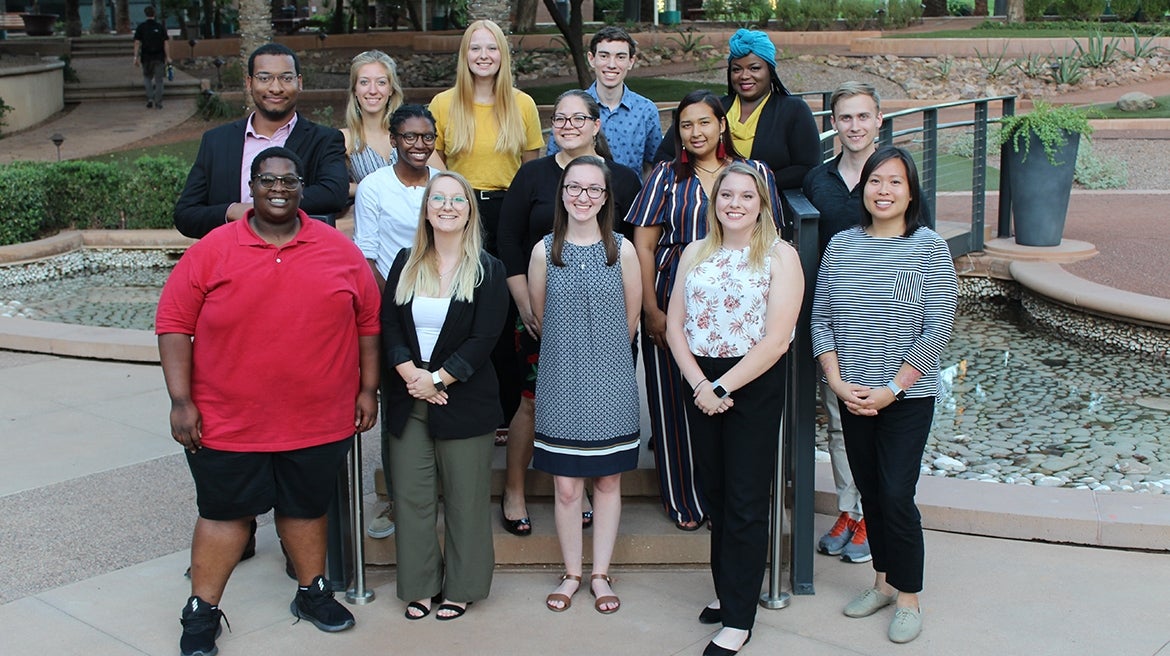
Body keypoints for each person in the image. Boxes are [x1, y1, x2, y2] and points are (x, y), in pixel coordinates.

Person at [157, 147, 380, 656]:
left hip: (318, 417)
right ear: (251, 188)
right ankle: (202, 610)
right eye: (267, 180)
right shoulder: (213, 249)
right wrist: (180, 400)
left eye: (288, 180)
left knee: (304, 507)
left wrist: (367, 390)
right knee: (225, 513)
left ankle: (312, 591)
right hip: (228, 419)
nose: (278, 188)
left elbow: (368, 323)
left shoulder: (336, 248)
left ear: (301, 188)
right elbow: (173, 324)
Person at [810, 146, 958, 645]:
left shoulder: (930, 248)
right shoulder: (842, 246)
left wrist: (892, 389)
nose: (884, 190)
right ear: (864, 189)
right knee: (870, 492)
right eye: (876, 181)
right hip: (853, 393)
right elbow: (822, 318)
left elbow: (937, 330)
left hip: (906, 397)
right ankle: (882, 583)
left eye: (895, 182)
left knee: (897, 495)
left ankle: (909, 597)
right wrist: (834, 380)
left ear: (911, 191)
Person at [665, 162, 803, 656]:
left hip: (750, 383)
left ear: (762, 203)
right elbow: (675, 325)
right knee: (717, 496)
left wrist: (722, 388)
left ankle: (739, 620)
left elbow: (777, 339)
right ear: (714, 201)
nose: (736, 204)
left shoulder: (781, 256)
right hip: (700, 381)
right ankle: (729, 594)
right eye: (727, 195)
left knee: (745, 501)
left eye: (747, 196)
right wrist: (700, 383)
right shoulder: (694, 253)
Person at [626, 90, 780, 531]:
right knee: (673, 403)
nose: (696, 132)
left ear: (722, 125)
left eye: (704, 122)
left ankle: (728, 501)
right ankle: (684, 501)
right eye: (686, 125)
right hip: (675, 297)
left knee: (731, 404)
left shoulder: (754, 173)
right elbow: (644, 243)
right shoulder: (665, 178)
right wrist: (651, 310)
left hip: (740, 311)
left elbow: (774, 235)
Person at [496, 90, 642, 537]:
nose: (569, 125)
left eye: (579, 118)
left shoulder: (622, 178)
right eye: (560, 118)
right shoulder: (533, 175)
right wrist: (524, 304)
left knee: (599, 405)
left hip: (605, 317)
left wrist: (625, 329)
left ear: (597, 126)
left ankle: (582, 493)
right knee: (531, 400)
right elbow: (507, 239)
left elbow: (633, 245)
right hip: (540, 308)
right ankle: (515, 489)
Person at [380, 171, 508, 621]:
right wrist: (411, 374)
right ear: (427, 208)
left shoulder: (488, 269)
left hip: (464, 401)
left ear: (470, 210)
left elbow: (484, 338)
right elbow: (389, 324)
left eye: (458, 200)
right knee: (413, 500)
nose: (448, 206)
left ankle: (463, 586)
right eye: (440, 198)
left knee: (465, 500)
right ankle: (418, 586)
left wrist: (438, 381)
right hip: (407, 398)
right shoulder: (404, 261)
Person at [529, 156, 641, 615]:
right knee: (568, 488)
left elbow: (631, 320)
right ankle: (573, 571)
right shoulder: (544, 251)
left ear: (606, 197)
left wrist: (605, 360)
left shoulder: (623, 250)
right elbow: (539, 316)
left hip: (611, 383)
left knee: (608, 481)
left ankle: (600, 574)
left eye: (594, 189)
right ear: (562, 192)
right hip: (559, 384)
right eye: (574, 187)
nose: (583, 197)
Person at [427, 19, 543, 448]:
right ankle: (461, 399)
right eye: (475, 48)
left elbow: (532, 165)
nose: (483, 56)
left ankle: (512, 410)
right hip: (460, 210)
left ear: (502, 55)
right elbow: (433, 161)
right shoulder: (443, 103)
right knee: (464, 304)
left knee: (511, 311)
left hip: (509, 209)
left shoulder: (522, 104)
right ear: (464, 54)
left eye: (491, 49)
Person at [801, 81, 885, 564]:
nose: (854, 126)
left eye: (863, 116)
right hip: (836, 319)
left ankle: (875, 512)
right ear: (833, 123)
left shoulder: (893, 175)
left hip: (885, 323)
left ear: (878, 119)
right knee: (837, 420)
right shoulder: (819, 180)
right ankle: (851, 510)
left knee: (879, 419)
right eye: (845, 117)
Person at [353, 103, 440, 540]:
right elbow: (366, 253)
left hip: (443, 308)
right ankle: (394, 499)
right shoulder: (374, 186)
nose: (419, 145)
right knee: (400, 406)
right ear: (393, 140)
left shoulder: (443, 186)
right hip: (396, 307)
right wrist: (395, 305)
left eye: (427, 137)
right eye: (410, 137)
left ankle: (438, 489)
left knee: (442, 397)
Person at [174, 43, 348, 239]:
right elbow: (186, 214)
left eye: (286, 78)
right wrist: (232, 211)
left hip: (298, 259)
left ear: (299, 82)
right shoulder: (216, 142)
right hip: (232, 259)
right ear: (249, 83)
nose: (275, 88)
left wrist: (263, 207)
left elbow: (334, 193)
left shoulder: (324, 139)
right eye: (264, 78)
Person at [654, 28, 820, 190]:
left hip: (766, 207)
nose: (744, 75)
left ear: (770, 71)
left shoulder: (793, 110)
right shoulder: (711, 108)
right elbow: (663, 155)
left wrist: (752, 184)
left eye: (754, 68)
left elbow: (807, 167)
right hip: (703, 203)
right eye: (737, 69)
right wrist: (700, 183)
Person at [545, 26, 663, 176]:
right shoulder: (570, 107)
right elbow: (552, 160)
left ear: (631, 61)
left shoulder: (646, 110)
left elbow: (653, 165)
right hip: (580, 196)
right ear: (591, 59)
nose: (611, 64)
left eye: (620, 57)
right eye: (604, 56)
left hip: (631, 197)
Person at [340, 50, 405, 197]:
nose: (373, 90)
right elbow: (334, 186)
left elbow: (441, 179)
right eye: (364, 82)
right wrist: (372, 190)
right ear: (355, 90)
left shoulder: (409, 134)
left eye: (381, 82)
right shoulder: (345, 139)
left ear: (391, 89)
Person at [132, 5, 171, 110]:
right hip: (158, 57)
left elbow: (137, 43)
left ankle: (150, 98)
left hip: (146, 57)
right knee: (159, 80)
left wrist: (135, 57)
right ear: (155, 14)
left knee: (147, 78)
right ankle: (158, 102)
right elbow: (165, 43)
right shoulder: (160, 27)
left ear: (145, 14)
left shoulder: (141, 27)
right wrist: (168, 57)